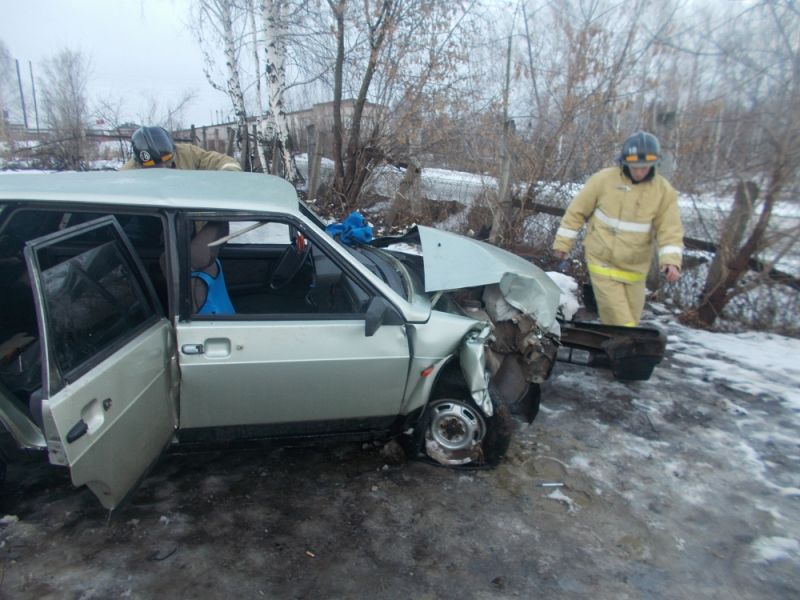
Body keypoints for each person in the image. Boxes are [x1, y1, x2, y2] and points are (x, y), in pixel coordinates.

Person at [552, 131, 683, 327]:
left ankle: (606, 355)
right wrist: (563, 244)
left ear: (654, 164)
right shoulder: (603, 181)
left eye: (644, 167)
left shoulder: (662, 191)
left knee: (629, 322)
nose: (639, 172)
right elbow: (576, 212)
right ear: (624, 162)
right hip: (602, 263)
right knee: (622, 323)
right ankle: (619, 354)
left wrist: (671, 261)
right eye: (635, 167)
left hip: (636, 269)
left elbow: (670, 229)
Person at [120, 126, 242, 171]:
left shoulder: (187, 153)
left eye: (166, 162)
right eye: (154, 168)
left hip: (194, 220)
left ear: (173, 150)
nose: (163, 169)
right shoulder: (127, 174)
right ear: (139, 163)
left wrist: (229, 173)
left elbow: (217, 160)